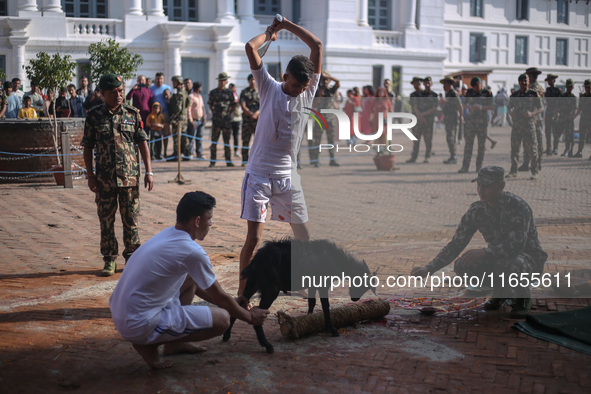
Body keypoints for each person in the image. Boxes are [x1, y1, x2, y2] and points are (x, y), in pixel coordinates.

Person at [109, 191, 269, 369]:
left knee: (192, 278)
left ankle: (174, 343)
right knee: (223, 319)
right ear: (197, 221)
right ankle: (147, 343)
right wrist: (250, 317)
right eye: (209, 219)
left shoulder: (168, 234)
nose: (210, 224)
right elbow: (219, 297)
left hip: (124, 313)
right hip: (139, 324)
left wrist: (232, 302)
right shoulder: (191, 251)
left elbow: (207, 289)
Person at [238, 15, 322, 296]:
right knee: (254, 238)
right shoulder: (268, 87)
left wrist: (286, 25)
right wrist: (269, 34)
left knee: (304, 236)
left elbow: (317, 45)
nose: (300, 91)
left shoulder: (307, 94)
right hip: (259, 175)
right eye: (297, 85)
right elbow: (250, 48)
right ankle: (242, 294)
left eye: (304, 86)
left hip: (288, 177)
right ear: (286, 77)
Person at [411, 166, 548, 318]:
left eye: (487, 185)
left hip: (528, 262)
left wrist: (484, 252)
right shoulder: (476, 211)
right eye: (479, 185)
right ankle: (500, 291)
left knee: (508, 264)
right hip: (500, 259)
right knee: (463, 264)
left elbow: (516, 247)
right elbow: (456, 244)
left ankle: (523, 296)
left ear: (501, 186)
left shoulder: (518, 207)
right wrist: (428, 268)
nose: (481, 190)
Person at [82, 73, 154, 277]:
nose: (119, 95)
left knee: (131, 219)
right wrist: (90, 175)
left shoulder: (133, 113)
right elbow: (87, 146)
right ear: (103, 93)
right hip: (104, 179)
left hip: (129, 178)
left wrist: (149, 171)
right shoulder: (94, 115)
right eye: (114, 92)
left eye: (121, 91)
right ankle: (109, 259)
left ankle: (132, 258)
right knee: (106, 221)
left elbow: (142, 143)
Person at [507, 74, 543, 180]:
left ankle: (534, 171)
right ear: (519, 82)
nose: (524, 83)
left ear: (528, 82)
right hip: (517, 126)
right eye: (522, 81)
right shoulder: (515, 95)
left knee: (532, 149)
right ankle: (513, 170)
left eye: (526, 81)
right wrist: (510, 112)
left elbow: (541, 108)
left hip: (529, 125)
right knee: (514, 149)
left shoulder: (533, 94)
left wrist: (532, 113)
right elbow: (508, 107)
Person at [458, 77, 494, 173]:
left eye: (476, 87)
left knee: (481, 147)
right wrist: (470, 107)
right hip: (471, 123)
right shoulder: (469, 92)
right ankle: (465, 167)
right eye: (474, 87)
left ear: (479, 84)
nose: (475, 89)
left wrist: (481, 107)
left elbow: (493, 106)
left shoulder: (487, 93)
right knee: (468, 146)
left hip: (482, 123)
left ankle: (479, 167)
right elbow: (463, 104)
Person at [309, 71, 340, 167]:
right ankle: (315, 160)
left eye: (327, 80)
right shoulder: (317, 91)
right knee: (317, 140)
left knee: (331, 140)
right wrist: (319, 97)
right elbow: (313, 106)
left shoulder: (331, 91)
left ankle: (332, 159)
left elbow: (338, 81)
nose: (325, 81)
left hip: (330, 119)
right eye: (323, 80)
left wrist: (327, 75)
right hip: (320, 119)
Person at [208, 72, 236, 167]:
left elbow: (233, 106)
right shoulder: (213, 92)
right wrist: (216, 114)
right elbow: (210, 105)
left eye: (224, 80)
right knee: (214, 142)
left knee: (227, 142)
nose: (222, 82)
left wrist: (226, 114)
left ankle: (228, 161)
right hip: (216, 121)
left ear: (226, 81)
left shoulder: (229, 92)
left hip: (226, 121)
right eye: (221, 81)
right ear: (218, 81)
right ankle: (212, 162)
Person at [407, 76, 438, 163]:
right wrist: (420, 117)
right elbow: (415, 106)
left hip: (428, 121)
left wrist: (423, 115)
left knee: (428, 139)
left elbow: (434, 108)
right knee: (416, 139)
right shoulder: (416, 94)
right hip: (417, 120)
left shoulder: (434, 95)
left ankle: (427, 156)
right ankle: (414, 157)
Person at [521, 68, 545, 172]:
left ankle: (537, 163)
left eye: (528, 76)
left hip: (535, 119)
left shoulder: (535, 89)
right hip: (531, 119)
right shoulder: (536, 87)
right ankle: (528, 163)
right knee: (528, 141)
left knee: (535, 142)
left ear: (531, 76)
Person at [167, 75, 191, 162]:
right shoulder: (185, 93)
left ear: (179, 83)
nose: (173, 83)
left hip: (179, 120)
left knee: (177, 137)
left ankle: (176, 155)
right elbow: (188, 103)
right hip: (184, 118)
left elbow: (178, 108)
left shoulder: (179, 94)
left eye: (174, 82)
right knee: (184, 137)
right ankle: (187, 154)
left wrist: (171, 118)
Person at [440, 76, 463, 164]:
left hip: (452, 120)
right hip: (448, 120)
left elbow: (459, 106)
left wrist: (461, 117)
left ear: (448, 84)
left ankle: (454, 157)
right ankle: (452, 156)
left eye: (444, 84)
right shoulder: (448, 94)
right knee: (449, 138)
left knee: (451, 138)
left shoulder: (453, 94)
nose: (443, 86)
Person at [150, 72, 173, 157]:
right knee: (156, 134)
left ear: (163, 79)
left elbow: (171, 101)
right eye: (158, 78)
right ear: (155, 79)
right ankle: (157, 153)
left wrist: (168, 97)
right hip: (155, 115)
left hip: (165, 113)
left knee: (166, 134)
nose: (159, 80)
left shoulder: (168, 88)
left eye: (161, 78)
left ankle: (165, 152)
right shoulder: (151, 89)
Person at [239, 74, 260, 166]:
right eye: (251, 80)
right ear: (248, 81)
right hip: (247, 121)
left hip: (258, 121)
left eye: (254, 80)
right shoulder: (244, 92)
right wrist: (252, 114)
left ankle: (257, 161)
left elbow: (264, 105)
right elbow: (243, 107)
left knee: (259, 142)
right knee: (245, 141)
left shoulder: (260, 92)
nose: (253, 82)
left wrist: (256, 114)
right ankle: (244, 161)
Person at [544, 74, 563, 156]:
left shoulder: (558, 91)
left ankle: (555, 148)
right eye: (548, 80)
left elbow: (559, 104)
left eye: (550, 80)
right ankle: (548, 148)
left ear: (554, 81)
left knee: (556, 132)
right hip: (548, 112)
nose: (549, 82)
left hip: (555, 113)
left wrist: (554, 115)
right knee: (547, 132)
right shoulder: (547, 90)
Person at [187, 81, 206, 159]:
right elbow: (189, 109)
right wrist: (191, 121)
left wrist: (204, 116)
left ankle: (199, 153)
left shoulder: (200, 96)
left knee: (199, 137)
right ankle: (190, 153)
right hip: (194, 121)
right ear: (198, 88)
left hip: (200, 120)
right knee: (192, 138)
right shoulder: (191, 97)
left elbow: (202, 107)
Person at [559, 79, 577, 157]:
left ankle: (569, 150)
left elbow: (575, 109)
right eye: (568, 86)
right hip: (562, 117)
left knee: (570, 135)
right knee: (562, 134)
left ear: (572, 87)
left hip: (569, 119)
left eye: (571, 86)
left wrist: (573, 117)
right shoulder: (562, 96)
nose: (569, 88)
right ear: (566, 87)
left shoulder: (573, 97)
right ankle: (565, 149)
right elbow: (558, 106)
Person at [573, 79, 591, 158]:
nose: (588, 89)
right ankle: (579, 152)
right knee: (582, 136)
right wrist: (574, 116)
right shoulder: (582, 96)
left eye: (589, 87)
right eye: (586, 87)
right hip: (583, 118)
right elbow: (579, 108)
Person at [228, 83, 242, 159]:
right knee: (228, 136)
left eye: (233, 87)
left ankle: (236, 150)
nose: (232, 89)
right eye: (230, 88)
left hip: (237, 118)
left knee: (236, 136)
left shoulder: (237, 96)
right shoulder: (227, 96)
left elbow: (239, 104)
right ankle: (228, 151)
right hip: (229, 118)